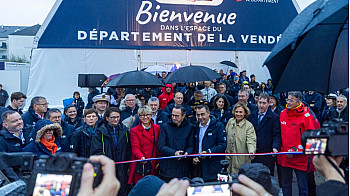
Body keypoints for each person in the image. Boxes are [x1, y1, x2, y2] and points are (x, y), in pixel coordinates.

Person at [278, 91, 316, 196]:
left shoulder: (306, 116)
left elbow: (310, 138)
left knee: (302, 187)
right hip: (285, 156)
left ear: (298, 101)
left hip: (300, 158)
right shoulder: (282, 113)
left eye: (291, 100)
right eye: (287, 100)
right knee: (286, 185)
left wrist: (296, 150)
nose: (288, 102)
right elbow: (279, 134)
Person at [90, 107, 131, 196]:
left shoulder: (124, 130)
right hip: (107, 167)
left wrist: (127, 166)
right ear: (107, 118)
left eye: (117, 117)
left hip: (122, 166)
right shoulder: (100, 132)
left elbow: (128, 149)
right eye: (112, 117)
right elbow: (96, 151)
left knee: (122, 189)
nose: (115, 119)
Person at [157, 105, 194, 182]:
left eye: (176, 116)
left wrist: (186, 153)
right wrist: (174, 153)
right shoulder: (165, 126)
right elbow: (161, 146)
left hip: (183, 168)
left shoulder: (190, 127)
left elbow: (191, 145)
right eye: (172, 115)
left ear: (183, 116)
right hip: (167, 168)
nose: (174, 118)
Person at [247, 93, 281, 174]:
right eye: (260, 102)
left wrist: (275, 147)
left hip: (267, 153)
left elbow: (276, 135)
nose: (261, 105)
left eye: (264, 103)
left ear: (269, 103)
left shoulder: (274, 117)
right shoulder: (252, 115)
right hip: (254, 152)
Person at [193, 104, 227, 181]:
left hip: (213, 167)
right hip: (199, 167)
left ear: (208, 113)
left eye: (202, 114)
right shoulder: (196, 126)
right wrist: (194, 156)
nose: (200, 117)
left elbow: (223, 145)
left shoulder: (218, 126)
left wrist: (209, 152)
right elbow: (194, 144)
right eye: (198, 115)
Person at [128, 106, 161, 184]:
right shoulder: (134, 130)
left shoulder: (157, 128)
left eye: (147, 115)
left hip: (153, 161)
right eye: (143, 115)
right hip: (140, 162)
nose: (145, 117)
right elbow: (135, 148)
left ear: (151, 115)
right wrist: (141, 157)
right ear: (139, 117)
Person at [225, 102, 256, 174]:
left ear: (245, 113)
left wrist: (251, 151)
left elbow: (251, 140)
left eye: (240, 112)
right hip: (229, 157)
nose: (238, 114)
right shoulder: (230, 122)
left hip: (241, 159)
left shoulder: (249, 126)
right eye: (236, 112)